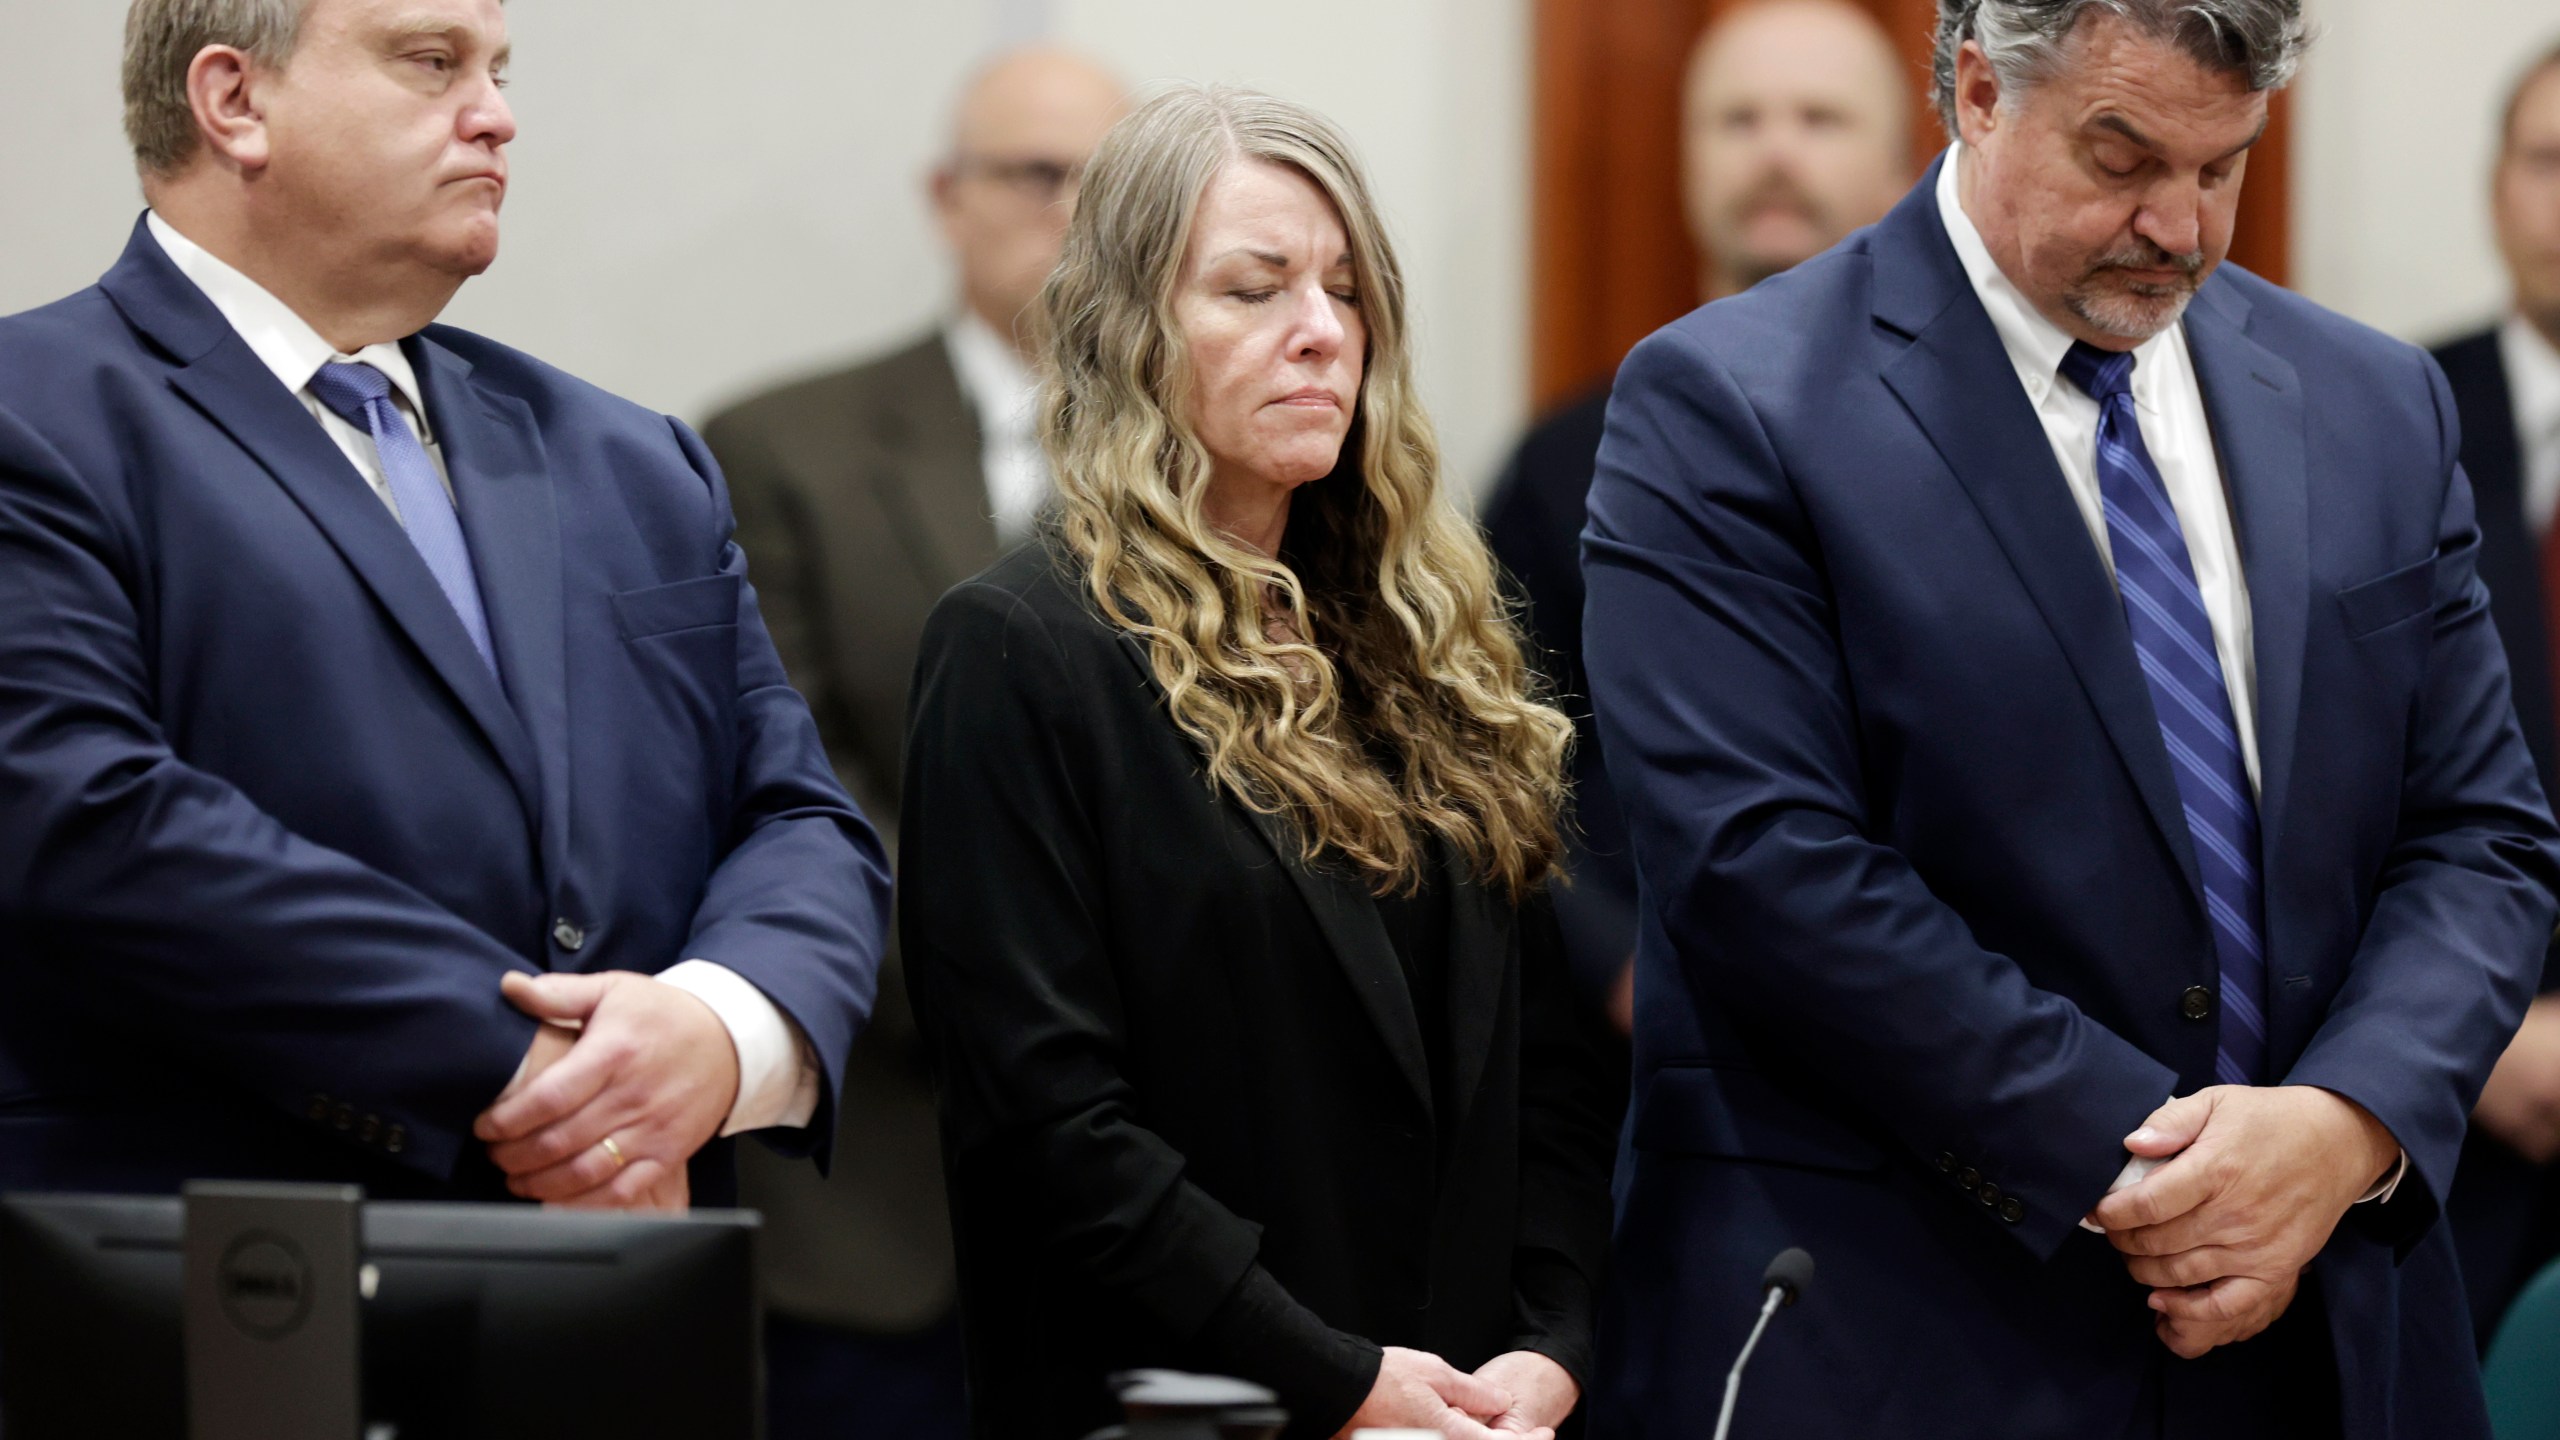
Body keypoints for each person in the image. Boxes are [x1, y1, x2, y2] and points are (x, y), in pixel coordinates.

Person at [1582, 0, 2560, 1432]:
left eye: (2221, 166)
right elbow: (1764, 866)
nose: (2177, 227)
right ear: (1979, 89)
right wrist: (2149, 1164)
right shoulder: (1727, 403)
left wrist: (2344, 1128)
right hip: (1913, 1323)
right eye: (2123, 156)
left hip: (2329, 1329)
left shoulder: (2374, 402)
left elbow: (2479, 831)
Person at [0, 0, 886, 1218]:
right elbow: (81, 817)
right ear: (234, 101)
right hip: (220, 1277)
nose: (498, 117)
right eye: (431, 63)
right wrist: (535, 1069)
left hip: (626, 1296)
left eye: (499, 69)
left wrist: (718, 1031)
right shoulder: (35, 416)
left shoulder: (632, 460)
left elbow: (799, 818)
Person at [899, 85, 1619, 1440]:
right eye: (1255, 288)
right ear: (1131, 331)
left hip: (1471, 1409)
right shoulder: (1021, 649)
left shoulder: (1425, 651)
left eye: (1346, 293)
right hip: (1195, 1406)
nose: (1320, 333)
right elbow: (1050, 1128)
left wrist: (1554, 1337)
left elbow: (1552, 1068)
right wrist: (1336, 1376)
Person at [699, 47, 1125, 1437]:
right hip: (877, 1202)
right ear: (948, 199)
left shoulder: (1222, 470)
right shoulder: (780, 450)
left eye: (1109, 184)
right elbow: (795, 790)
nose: (1073, 214)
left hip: (1163, 1219)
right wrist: (1039, 1010)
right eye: (1035, 175)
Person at [1479, 0, 1912, 1033]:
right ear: (1684, 161)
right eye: (1736, 119)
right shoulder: (1560, 463)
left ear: (1904, 171)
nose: (1772, 150)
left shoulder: (1984, 452)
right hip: (1638, 1052)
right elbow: (1485, 758)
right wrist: (1616, 968)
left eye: (1818, 118)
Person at [2433, 37, 2560, 1348]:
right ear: (2495, 189)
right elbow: (2316, 784)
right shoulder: (2374, 422)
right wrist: (2480, 1029)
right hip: (2444, 1129)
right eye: (2551, 162)